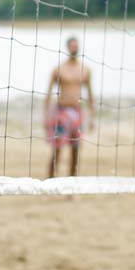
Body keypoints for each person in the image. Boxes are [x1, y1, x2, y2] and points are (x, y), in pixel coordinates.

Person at [43, 36, 95, 178]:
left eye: (76, 46)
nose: (74, 48)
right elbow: (47, 95)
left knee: (76, 150)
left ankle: (72, 183)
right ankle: (51, 181)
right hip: (61, 112)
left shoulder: (85, 70)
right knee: (57, 150)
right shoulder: (59, 69)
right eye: (72, 46)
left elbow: (90, 94)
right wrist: (45, 117)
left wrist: (92, 118)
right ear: (67, 48)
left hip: (78, 113)